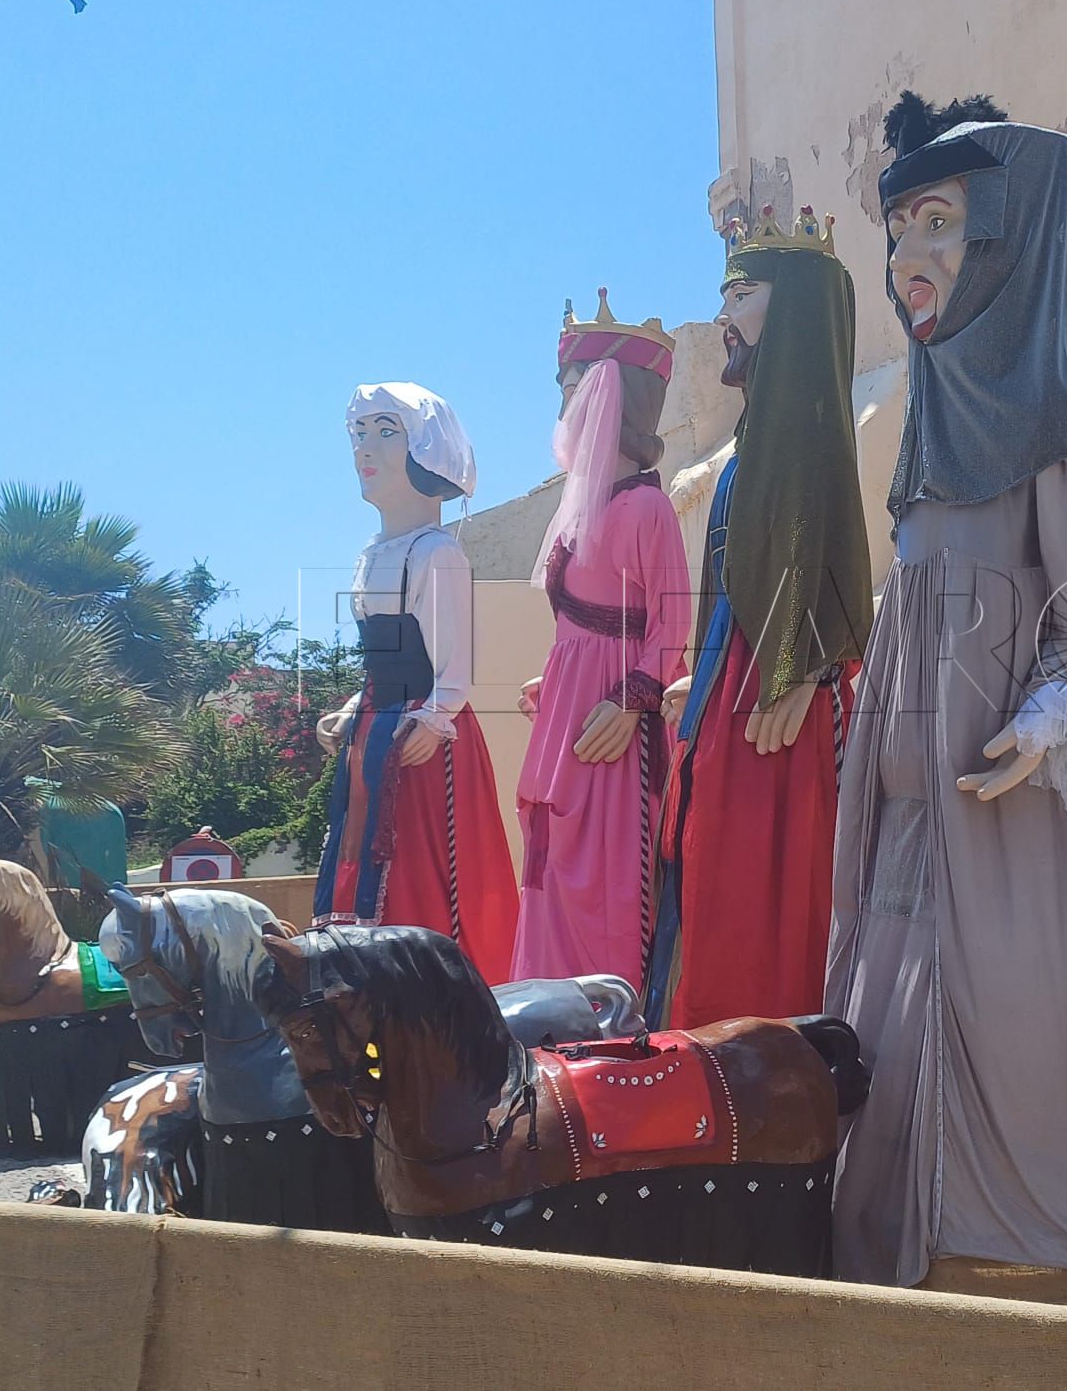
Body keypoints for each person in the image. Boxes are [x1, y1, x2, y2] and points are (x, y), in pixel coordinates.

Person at [825, 92, 1067, 1336]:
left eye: (939, 223)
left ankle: (1032, 1270)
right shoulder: (930, 421)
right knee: (896, 994)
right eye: (896, 232)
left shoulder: (1047, 411)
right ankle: (898, 1242)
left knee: (1015, 1001)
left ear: (1007, 237)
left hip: (1004, 782)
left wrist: (1047, 712)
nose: (906, 259)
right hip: (910, 786)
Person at [643, 206, 873, 1029]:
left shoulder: (809, 434)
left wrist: (804, 668)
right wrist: (702, 680)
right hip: (735, 700)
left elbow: (826, 559)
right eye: (725, 296)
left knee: (767, 910)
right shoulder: (751, 450)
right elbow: (739, 585)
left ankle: (771, 1078)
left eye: (742, 295)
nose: (724, 317)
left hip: (782, 714)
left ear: (796, 308)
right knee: (717, 893)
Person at [510, 291, 691, 987]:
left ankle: (610, 1021)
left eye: (574, 389)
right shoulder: (581, 509)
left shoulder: (647, 507)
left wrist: (629, 701)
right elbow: (583, 622)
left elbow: (671, 623)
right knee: (556, 862)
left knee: (605, 878)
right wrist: (555, 677)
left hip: (613, 725)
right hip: (570, 715)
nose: (565, 408)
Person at [312, 382, 517, 984]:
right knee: (356, 850)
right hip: (375, 729)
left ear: (427, 450)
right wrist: (352, 708)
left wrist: (435, 716)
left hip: (421, 739)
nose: (364, 448)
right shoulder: (371, 554)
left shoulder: (436, 554)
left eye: (386, 432)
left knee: (421, 865)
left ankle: (437, 991)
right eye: (359, 433)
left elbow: (453, 663)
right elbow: (381, 660)